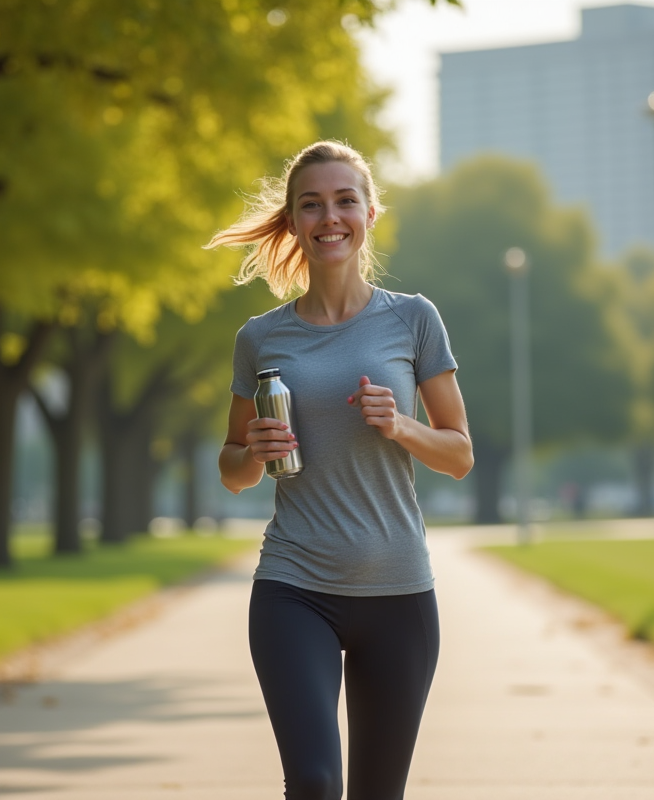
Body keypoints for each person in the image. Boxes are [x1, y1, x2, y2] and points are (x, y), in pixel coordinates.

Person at [208, 140, 473, 800]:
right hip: (295, 588)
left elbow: (461, 454)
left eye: (345, 200)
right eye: (312, 204)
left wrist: (401, 425)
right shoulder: (260, 338)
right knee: (316, 781)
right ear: (294, 222)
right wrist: (257, 453)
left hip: (398, 592)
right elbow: (231, 469)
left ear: (370, 212)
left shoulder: (413, 319)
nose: (331, 217)